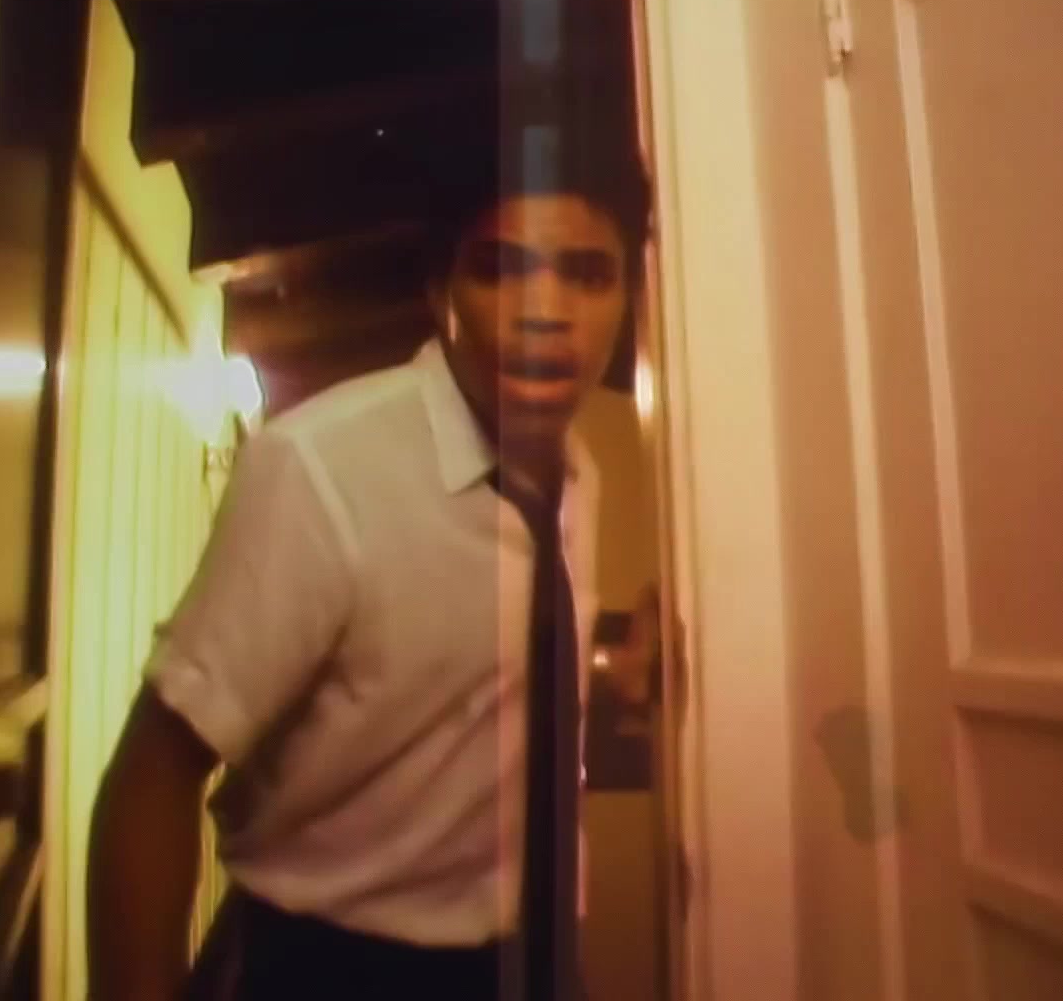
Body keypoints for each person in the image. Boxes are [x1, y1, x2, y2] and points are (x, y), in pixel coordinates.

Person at [85, 126, 654, 1001]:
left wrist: (617, 673)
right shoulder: (322, 469)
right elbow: (152, 777)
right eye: (501, 268)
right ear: (439, 289)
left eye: (587, 273)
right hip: (323, 966)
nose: (547, 310)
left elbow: (475, 694)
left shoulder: (583, 476)